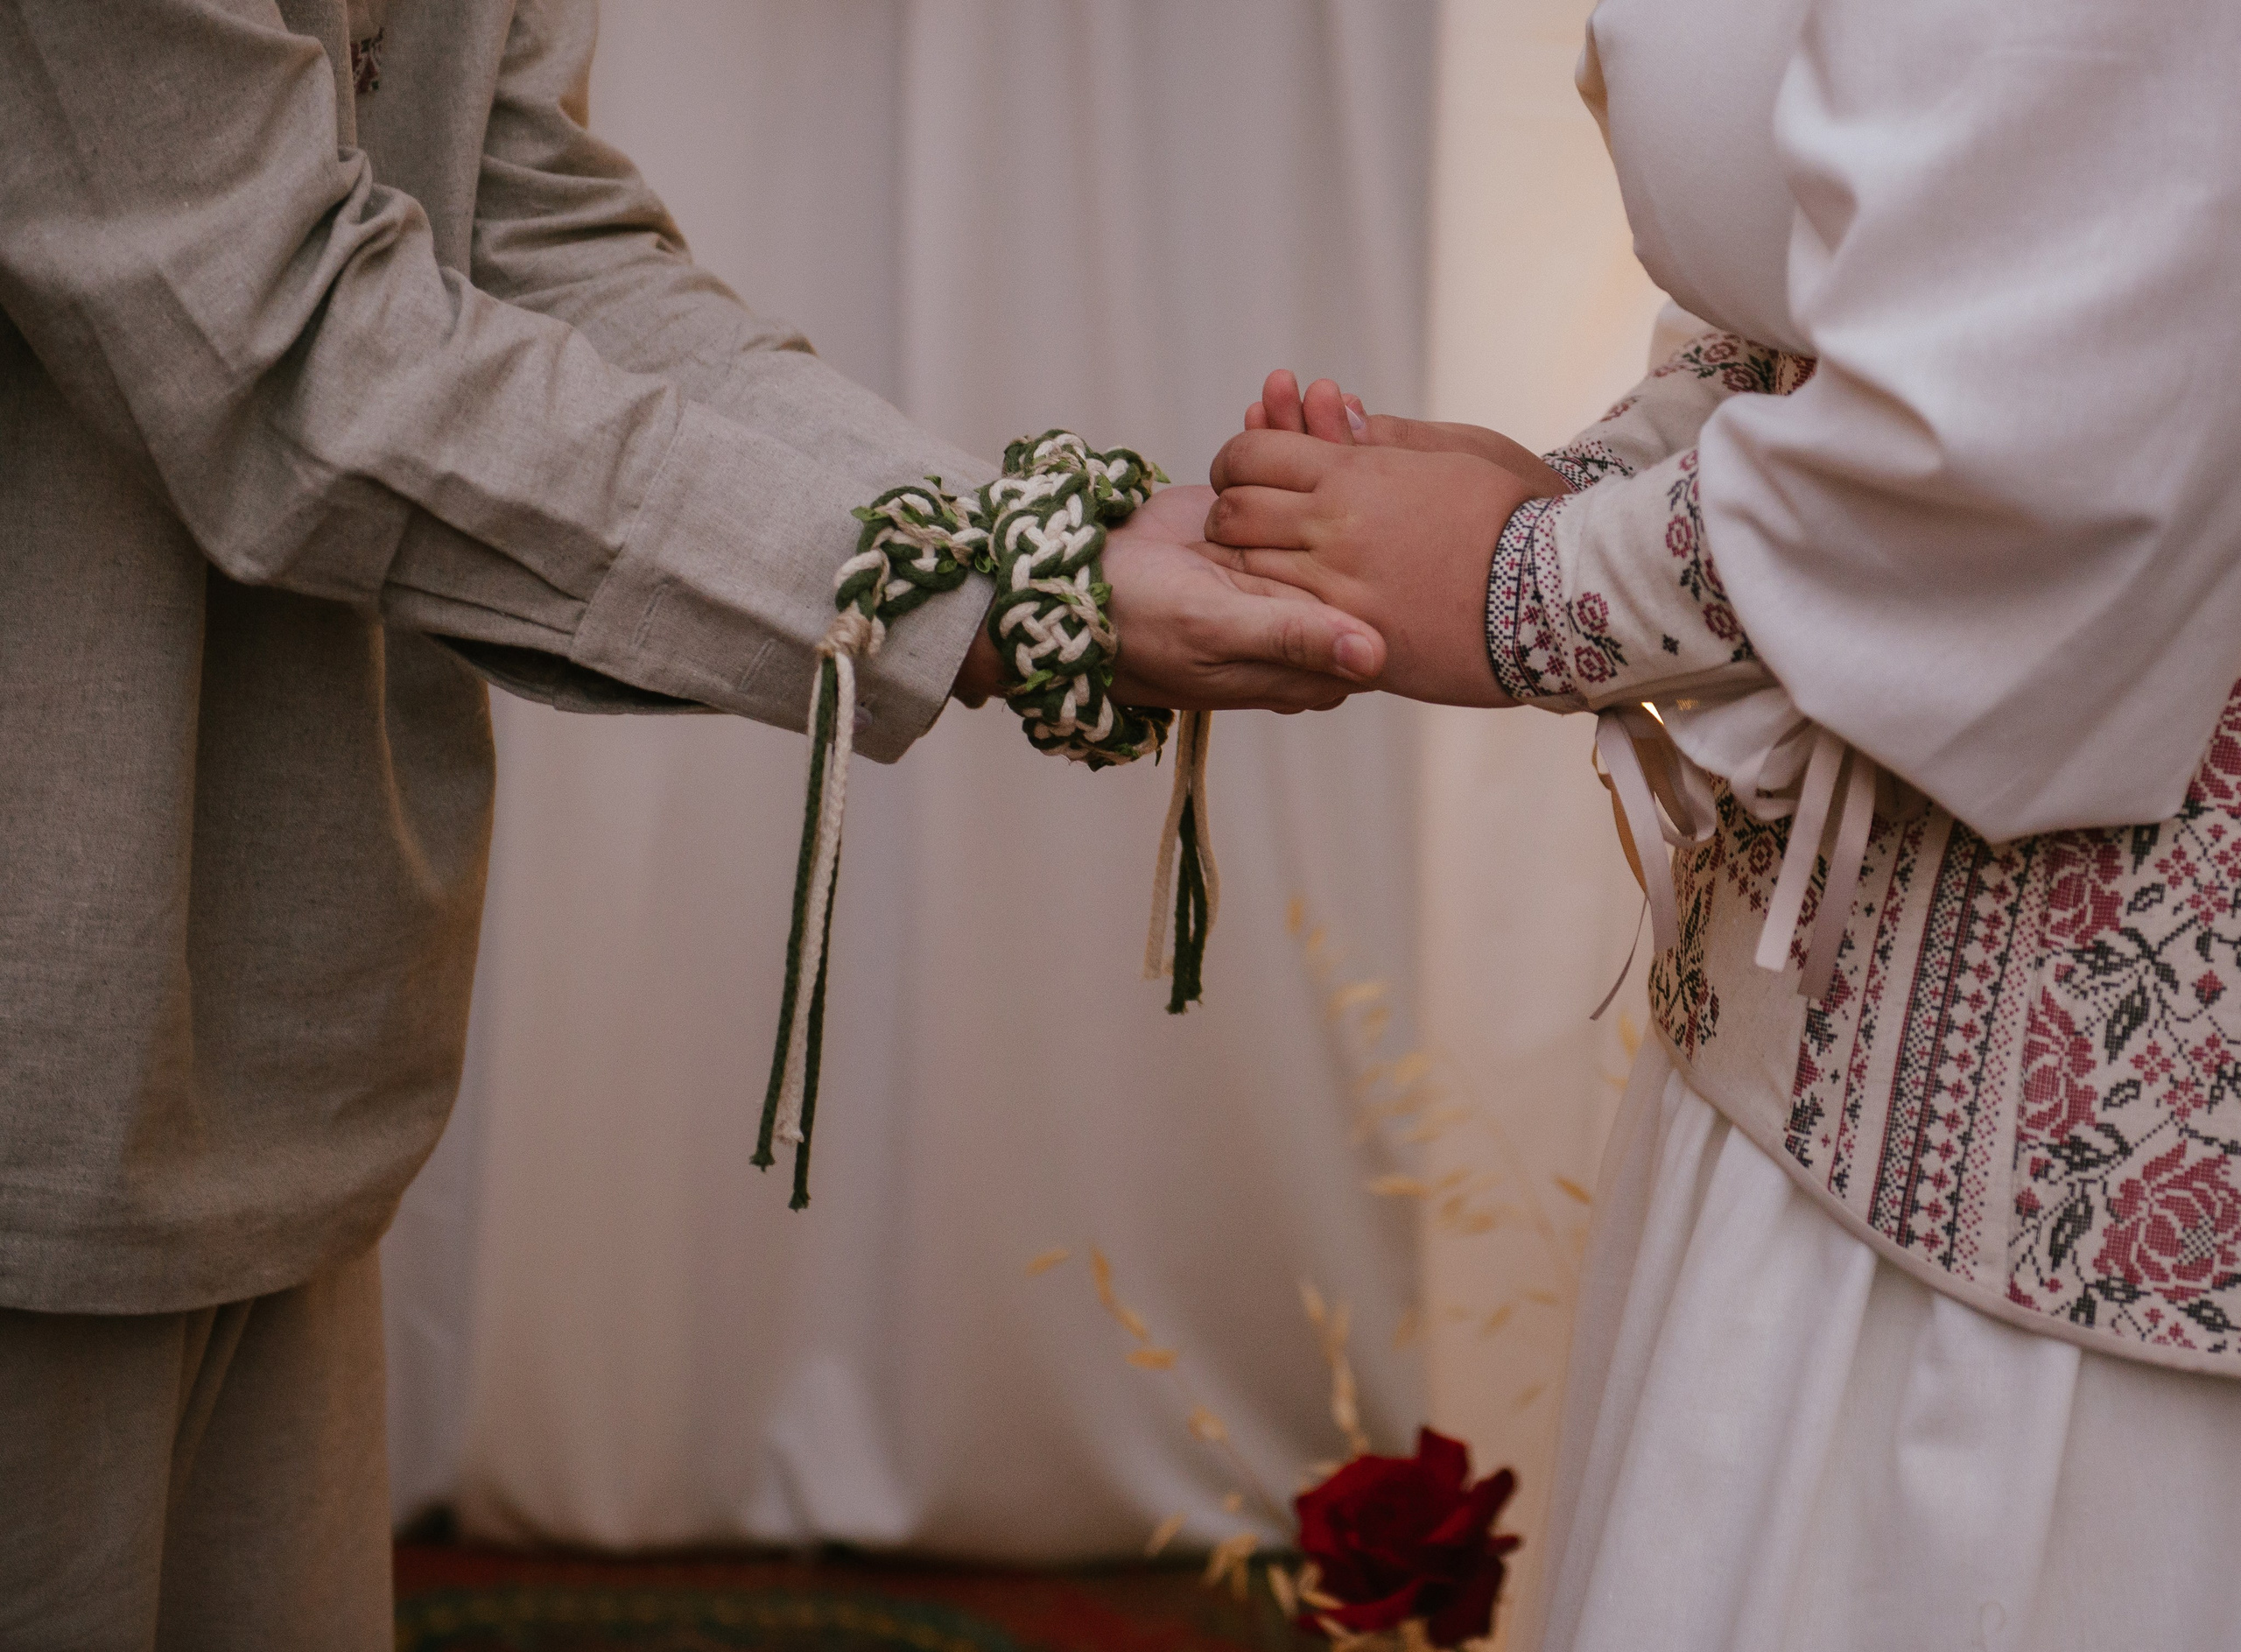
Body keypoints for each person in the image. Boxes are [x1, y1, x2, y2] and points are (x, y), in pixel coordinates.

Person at [0, 3, 1387, 1645]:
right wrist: (995, 591)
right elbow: (272, 328)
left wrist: (1012, 540)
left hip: (287, 1001)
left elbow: (519, 235)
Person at [1208, 0, 2241, 1646]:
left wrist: (1523, 587)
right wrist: (1565, 492)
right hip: (1802, 1104)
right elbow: (1873, 278)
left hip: (2051, 1285)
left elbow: (2036, 415)